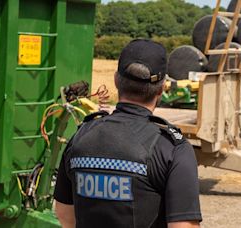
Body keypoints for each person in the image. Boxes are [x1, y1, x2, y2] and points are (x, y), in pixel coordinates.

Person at [54, 39, 202, 228]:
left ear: (116, 80)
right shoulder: (172, 148)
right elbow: (184, 226)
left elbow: (64, 214)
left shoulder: (81, 136)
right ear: (162, 87)